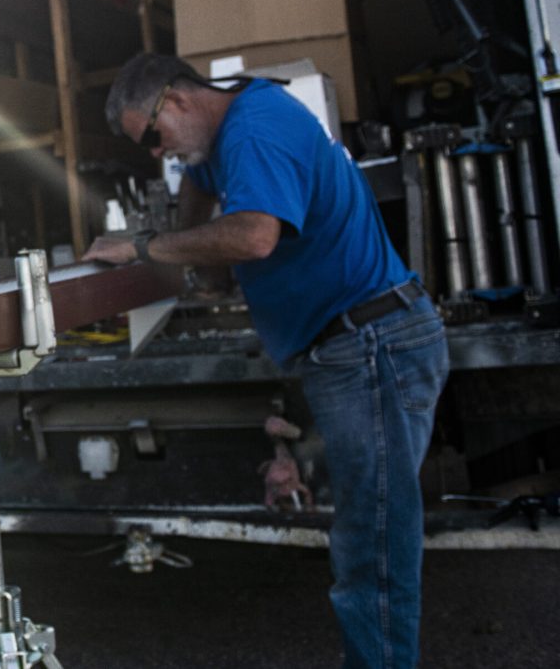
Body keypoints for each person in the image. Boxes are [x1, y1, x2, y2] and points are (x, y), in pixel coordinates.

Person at [85, 53, 450, 669]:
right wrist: (192, 266)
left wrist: (143, 246)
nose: (157, 153)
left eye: (152, 136)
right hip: (354, 348)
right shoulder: (225, 132)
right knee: (367, 541)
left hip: (371, 347)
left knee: (373, 547)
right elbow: (201, 195)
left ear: (175, 99)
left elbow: (256, 234)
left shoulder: (252, 125)